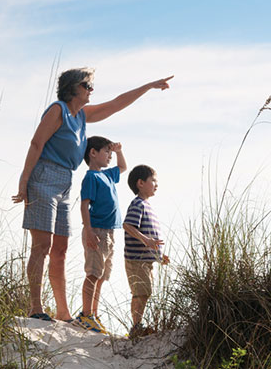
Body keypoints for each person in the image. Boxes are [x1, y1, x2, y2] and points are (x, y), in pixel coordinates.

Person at [12, 68, 173, 322]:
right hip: (44, 177)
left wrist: (149, 86)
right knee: (42, 246)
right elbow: (36, 143)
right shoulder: (58, 110)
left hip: (65, 180)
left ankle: (63, 313)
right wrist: (24, 181)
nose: (91, 91)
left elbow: (116, 104)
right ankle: (35, 307)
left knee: (61, 249)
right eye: (88, 86)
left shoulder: (82, 115)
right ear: (73, 88)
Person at [77, 136, 126, 334]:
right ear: (93, 153)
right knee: (93, 273)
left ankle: (94, 315)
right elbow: (84, 205)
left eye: (111, 153)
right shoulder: (91, 177)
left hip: (109, 232)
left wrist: (119, 150)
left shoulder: (107, 175)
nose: (110, 156)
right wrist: (88, 230)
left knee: (102, 276)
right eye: (107, 152)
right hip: (96, 231)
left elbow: (122, 167)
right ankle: (86, 315)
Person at [123, 164, 169, 338]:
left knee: (145, 291)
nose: (156, 184)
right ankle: (136, 326)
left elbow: (150, 236)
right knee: (141, 291)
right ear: (140, 183)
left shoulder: (147, 206)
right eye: (153, 180)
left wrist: (159, 256)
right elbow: (128, 225)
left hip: (147, 260)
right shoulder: (138, 204)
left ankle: (138, 324)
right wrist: (146, 240)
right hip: (136, 259)